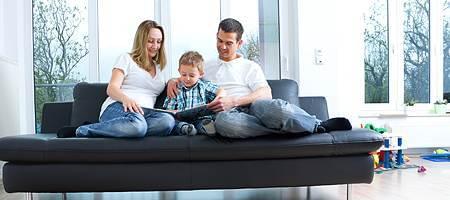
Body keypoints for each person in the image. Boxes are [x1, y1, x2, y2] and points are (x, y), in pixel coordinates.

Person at [167, 18, 352, 138]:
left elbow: (266, 93)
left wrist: (236, 100)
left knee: (280, 111)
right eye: (220, 41)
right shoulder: (205, 66)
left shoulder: (250, 66)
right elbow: (188, 78)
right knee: (223, 124)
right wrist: (172, 81)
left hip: (255, 108)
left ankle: (318, 124)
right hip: (229, 116)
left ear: (240, 43)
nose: (223, 47)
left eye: (229, 43)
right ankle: (282, 131)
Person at [58, 20, 175, 138]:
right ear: (141, 40)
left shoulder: (159, 69)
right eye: (150, 41)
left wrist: (172, 81)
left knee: (167, 122)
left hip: (145, 113)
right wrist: (126, 99)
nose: (155, 46)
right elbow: (111, 88)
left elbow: (161, 85)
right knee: (137, 126)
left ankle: (117, 128)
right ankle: (83, 130)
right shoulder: (126, 59)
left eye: (159, 42)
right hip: (119, 107)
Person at [163, 51, 224, 136]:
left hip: (200, 119)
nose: (187, 78)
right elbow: (168, 110)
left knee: (202, 123)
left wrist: (219, 97)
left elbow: (221, 90)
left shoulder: (204, 86)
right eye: (184, 75)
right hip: (182, 120)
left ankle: (207, 128)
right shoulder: (176, 88)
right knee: (175, 124)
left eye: (192, 75)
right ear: (179, 71)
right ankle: (186, 129)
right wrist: (174, 112)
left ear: (201, 74)